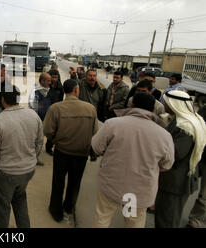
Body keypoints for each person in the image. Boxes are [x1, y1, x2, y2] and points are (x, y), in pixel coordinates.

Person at [91, 92, 174, 228]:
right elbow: (167, 164)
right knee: (133, 223)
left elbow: (96, 147)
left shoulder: (113, 124)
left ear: (132, 105)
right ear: (153, 109)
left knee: (102, 218)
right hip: (139, 191)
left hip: (111, 184)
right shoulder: (164, 135)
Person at [0, 86, 44, 228]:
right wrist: (31, 160)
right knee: (20, 201)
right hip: (27, 171)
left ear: (3, 100)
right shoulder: (33, 115)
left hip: (5, 173)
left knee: (1, 209)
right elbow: (39, 142)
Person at [43, 79, 98, 223]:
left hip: (62, 152)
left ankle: (56, 211)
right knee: (75, 182)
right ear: (76, 90)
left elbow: (48, 131)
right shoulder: (90, 109)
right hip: (81, 153)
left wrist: (56, 141)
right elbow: (95, 132)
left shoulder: (56, 108)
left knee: (58, 181)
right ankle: (68, 207)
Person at [155, 90, 206, 228]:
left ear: (174, 104)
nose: (164, 104)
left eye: (166, 102)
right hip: (174, 180)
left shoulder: (185, 127)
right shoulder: (184, 120)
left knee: (168, 219)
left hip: (176, 182)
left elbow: (176, 153)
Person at [186, 106, 206, 228]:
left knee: (204, 195)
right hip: (198, 154)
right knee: (183, 182)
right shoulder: (204, 110)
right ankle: (171, 209)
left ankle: (197, 220)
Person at [28, 72, 52, 165]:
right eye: (48, 80)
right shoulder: (35, 91)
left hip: (45, 120)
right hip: (37, 122)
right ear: (42, 81)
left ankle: (35, 159)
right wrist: (37, 121)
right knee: (35, 141)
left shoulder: (47, 90)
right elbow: (32, 106)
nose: (50, 82)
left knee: (39, 141)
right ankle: (31, 160)